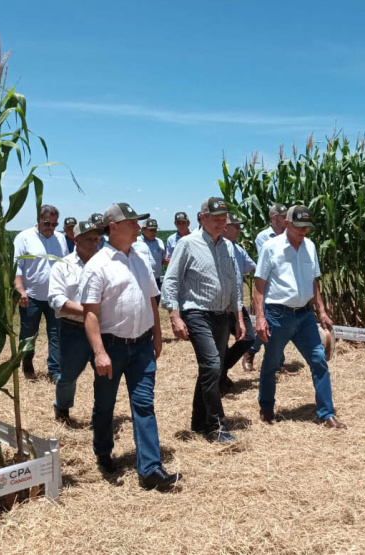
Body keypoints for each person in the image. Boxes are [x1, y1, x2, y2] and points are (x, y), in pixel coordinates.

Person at [79, 202, 181, 491]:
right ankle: (102, 450)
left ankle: (150, 469)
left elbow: (151, 298)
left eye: (138, 222)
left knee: (144, 405)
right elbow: (89, 314)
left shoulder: (140, 258)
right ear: (113, 227)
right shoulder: (98, 265)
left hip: (142, 347)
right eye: (132, 222)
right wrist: (99, 352)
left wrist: (157, 334)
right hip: (111, 347)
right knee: (105, 405)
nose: (138, 226)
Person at [254, 205, 346, 429]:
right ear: (287, 223)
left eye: (307, 227)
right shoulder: (271, 247)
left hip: (305, 315)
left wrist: (322, 311)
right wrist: (260, 317)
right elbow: (259, 284)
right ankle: (266, 407)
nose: (303, 231)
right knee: (272, 363)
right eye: (299, 226)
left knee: (319, 361)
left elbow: (314, 281)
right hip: (278, 314)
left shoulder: (310, 247)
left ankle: (326, 413)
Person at [161, 197, 244, 443]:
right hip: (197, 313)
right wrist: (174, 316)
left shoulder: (228, 247)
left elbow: (234, 285)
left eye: (224, 219)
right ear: (202, 217)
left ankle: (198, 422)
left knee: (211, 369)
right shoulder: (187, 244)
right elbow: (172, 279)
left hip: (221, 315)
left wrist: (238, 317)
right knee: (211, 366)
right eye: (216, 219)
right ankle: (216, 425)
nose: (221, 223)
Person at [48, 219, 103, 425]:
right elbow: (56, 300)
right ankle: (62, 409)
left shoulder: (106, 264)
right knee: (68, 376)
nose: (94, 242)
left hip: (103, 329)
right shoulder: (63, 266)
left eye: (97, 238)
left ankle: (102, 412)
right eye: (88, 238)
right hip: (74, 330)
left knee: (104, 374)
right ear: (76, 239)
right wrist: (89, 313)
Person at [13, 204, 68, 382]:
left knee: (56, 335)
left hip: (55, 297)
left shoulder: (60, 239)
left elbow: (66, 266)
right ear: (38, 220)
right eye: (47, 223)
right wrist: (21, 290)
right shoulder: (24, 238)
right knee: (28, 334)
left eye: (54, 224)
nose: (50, 228)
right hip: (31, 297)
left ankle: (54, 371)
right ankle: (27, 365)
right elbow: (17, 267)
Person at [246, 203, 289, 373]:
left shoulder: (289, 234)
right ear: (273, 218)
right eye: (283, 216)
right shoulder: (263, 237)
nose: (287, 219)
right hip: (268, 286)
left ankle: (278, 362)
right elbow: (273, 261)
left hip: (284, 286)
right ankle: (251, 351)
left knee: (282, 325)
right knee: (268, 323)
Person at [219, 213, 257, 395]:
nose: (240, 230)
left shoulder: (238, 250)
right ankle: (220, 379)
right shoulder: (215, 248)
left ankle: (218, 371)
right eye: (237, 226)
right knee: (221, 344)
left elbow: (254, 268)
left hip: (237, 305)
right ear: (225, 228)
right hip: (220, 306)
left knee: (249, 337)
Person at [135, 218, 164, 301]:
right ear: (143, 230)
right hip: (141, 280)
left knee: (156, 302)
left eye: (155, 230)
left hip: (156, 280)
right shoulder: (135, 242)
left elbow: (162, 260)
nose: (153, 232)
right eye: (151, 230)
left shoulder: (160, 242)